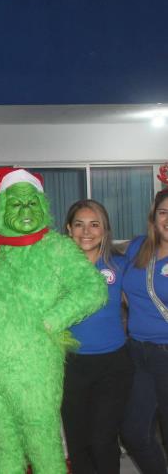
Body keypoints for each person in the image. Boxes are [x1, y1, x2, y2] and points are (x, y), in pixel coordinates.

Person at [0, 167, 107, 474]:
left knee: (42, 442)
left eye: (32, 204)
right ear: (3, 208)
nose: (26, 211)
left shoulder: (56, 247)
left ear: (42, 206)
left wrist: (52, 320)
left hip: (37, 366)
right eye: (16, 204)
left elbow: (93, 288)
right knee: (3, 445)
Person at [61, 200, 133, 474]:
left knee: (102, 440)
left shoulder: (120, 265)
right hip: (70, 366)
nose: (86, 231)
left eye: (94, 224)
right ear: (69, 229)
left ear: (105, 230)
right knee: (78, 443)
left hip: (112, 366)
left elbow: (141, 301)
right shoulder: (58, 268)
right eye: (79, 224)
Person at [121, 188, 168, 473]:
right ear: (154, 217)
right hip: (137, 353)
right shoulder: (138, 247)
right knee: (134, 432)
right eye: (164, 212)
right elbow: (123, 288)